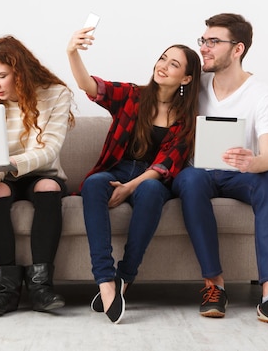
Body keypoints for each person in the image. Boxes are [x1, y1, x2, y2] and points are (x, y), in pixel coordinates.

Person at [171, 13, 268, 329]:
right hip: (198, 173)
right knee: (188, 179)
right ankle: (214, 285)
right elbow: (150, 97)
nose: (204, 48)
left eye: (213, 42)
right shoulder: (194, 85)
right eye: (203, 40)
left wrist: (251, 162)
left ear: (238, 49)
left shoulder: (260, 93)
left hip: (239, 174)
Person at [66, 27, 201, 324]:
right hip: (117, 169)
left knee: (151, 192)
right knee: (92, 184)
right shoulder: (131, 95)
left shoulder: (187, 119)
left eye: (173, 64)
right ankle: (105, 281)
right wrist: (72, 52)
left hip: (150, 180)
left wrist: (128, 188)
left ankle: (125, 277)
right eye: (163, 59)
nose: (163, 66)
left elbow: (165, 166)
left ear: (187, 79)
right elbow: (89, 86)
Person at [0, 35, 74, 316]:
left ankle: (42, 287)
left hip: (43, 171)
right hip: (2, 174)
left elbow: (48, 150)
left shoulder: (56, 94)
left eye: (1, 76)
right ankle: (6, 291)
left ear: (20, 70)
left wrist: (3, 166)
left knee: (46, 188)